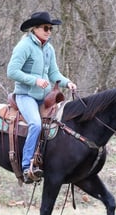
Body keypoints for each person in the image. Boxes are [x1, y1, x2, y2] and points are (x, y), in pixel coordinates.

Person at [7, 11, 77, 184]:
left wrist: (67, 83)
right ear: (35, 28)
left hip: (45, 98)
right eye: (46, 28)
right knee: (36, 124)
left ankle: (48, 162)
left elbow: (54, 73)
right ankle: (26, 167)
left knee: (60, 125)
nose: (49, 31)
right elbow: (12, 71)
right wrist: (35, 80)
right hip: (26, 96)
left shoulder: (48, 48)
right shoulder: (24, 46)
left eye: (51, 29)